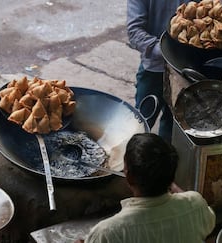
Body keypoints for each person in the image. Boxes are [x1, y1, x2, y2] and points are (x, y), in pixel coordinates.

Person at [81, 133, 215, 243]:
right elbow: (210, 220)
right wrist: (173, 186)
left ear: (129, 178)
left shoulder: (108, 233)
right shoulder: (196, 204)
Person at [127, 0, 192, 142]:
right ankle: (134, 159)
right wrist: (165, 50)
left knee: (173, 124)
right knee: (142, 121)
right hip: (153, 69)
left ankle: (165, 157)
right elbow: (134, 32)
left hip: (184, 69)